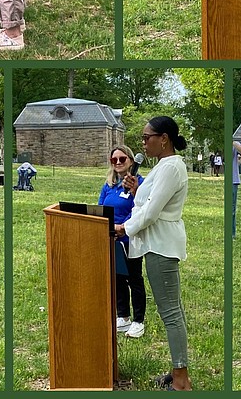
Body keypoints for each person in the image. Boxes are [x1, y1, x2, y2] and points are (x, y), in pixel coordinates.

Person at [118, 117, 192, 391]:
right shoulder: (162, 167)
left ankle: (182, 380)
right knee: (173, 310)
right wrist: (137, 190)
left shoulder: (173, 167)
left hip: (161, 245)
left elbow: (151, 213)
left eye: (147, 137)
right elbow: (149, 201)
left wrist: (124, 228)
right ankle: (177, 370)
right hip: (155, 244)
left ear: (164, 138)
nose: (143, 143)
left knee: (171, 312)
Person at [98, 145, 146, 339]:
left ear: (132, 161)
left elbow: (141, 209)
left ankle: (138, 321)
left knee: (134, 278)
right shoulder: (108, 185)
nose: (118, 163)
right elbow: (101, 207)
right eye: (114, 160)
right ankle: (123, 316)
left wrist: (123, 227)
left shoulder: (140, 182)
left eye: (122, 159)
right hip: (111, 238)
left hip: (130, 238)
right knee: (117, 278)